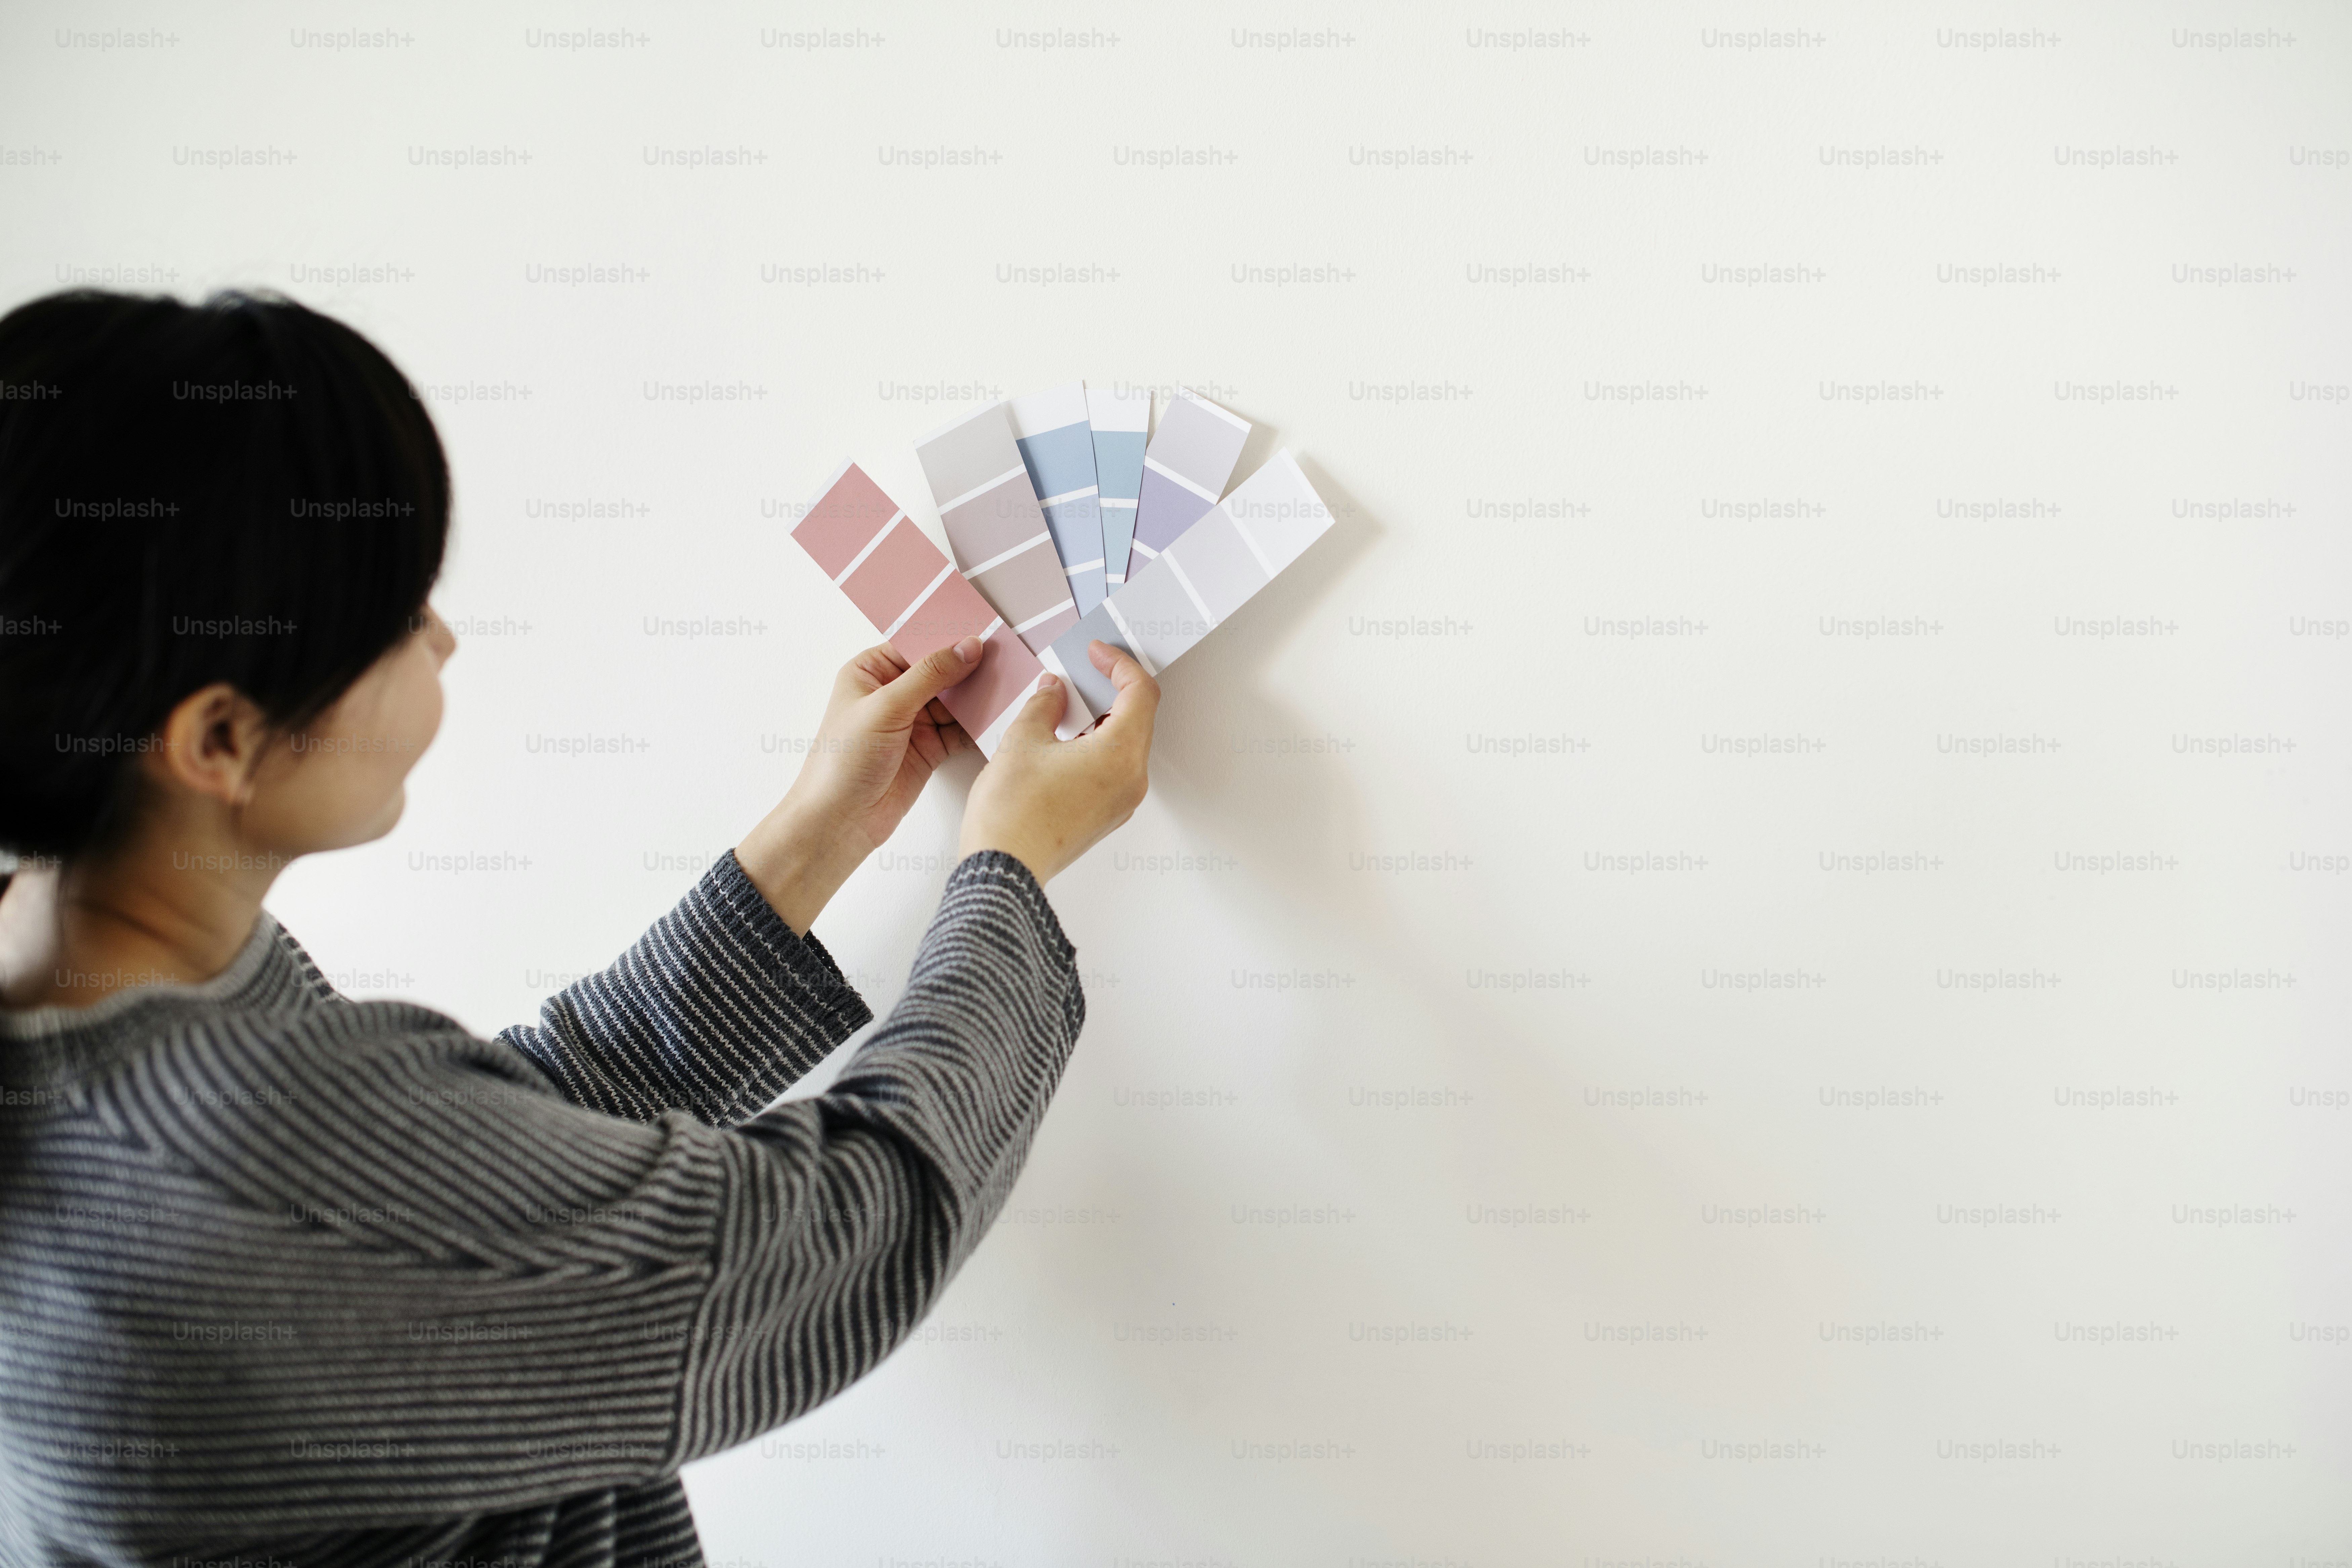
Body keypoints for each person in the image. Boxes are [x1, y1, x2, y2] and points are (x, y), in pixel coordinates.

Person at [0, 290, 1157, 1566]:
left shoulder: (77, 985)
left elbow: (483, 1170)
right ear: (218, 738)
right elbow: (834, 1241)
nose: (444, 636)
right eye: (397, 613)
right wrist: (1008, 866)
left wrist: (815, 832)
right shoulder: (227, 1146)